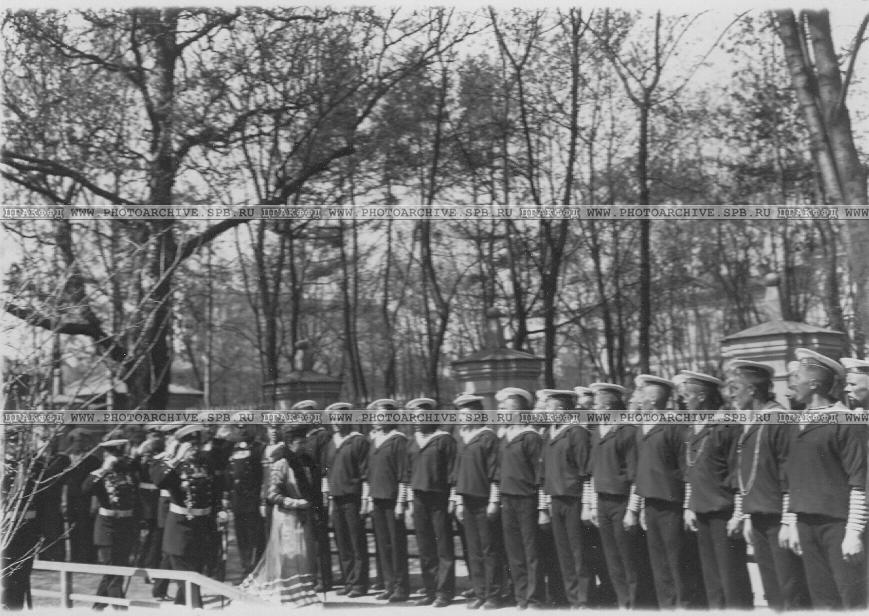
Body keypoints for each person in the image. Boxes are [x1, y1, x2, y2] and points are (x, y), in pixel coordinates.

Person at [783, 348, 867, 609]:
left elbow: (860, 482)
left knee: (853, 600)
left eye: (797, 377)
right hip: (807, 525)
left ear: (814, 384)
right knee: (822, 602)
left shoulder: (846, 421)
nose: (791, 384)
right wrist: (793, 522)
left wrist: (853, 533)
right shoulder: (799, 423)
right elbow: (793, 478)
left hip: (838, 526)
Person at [726, 359, 810, 610]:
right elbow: (748, 475)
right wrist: (746, 515)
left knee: (790, 589)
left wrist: (788, 521)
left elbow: (790, 474)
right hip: (758, 516)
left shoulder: (779, 419)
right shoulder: (752, 422)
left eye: (735, 388)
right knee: (772, 590)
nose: (731, 395)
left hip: (778, 519)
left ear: (752, 390)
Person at [678, 370, 753, 609]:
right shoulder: (693, 426)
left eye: (687, 396)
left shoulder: (726, 424)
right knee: (712, 580)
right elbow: (691, 471)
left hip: (724, 513)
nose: (683, 401)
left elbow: (737, 472)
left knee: (732, 579)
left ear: (701, 397)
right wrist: (689, 507)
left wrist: (738, 514)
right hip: (701, 510)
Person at [625, 374, 689, 609]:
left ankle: (682, 607)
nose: (636, 398)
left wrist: (687, 507)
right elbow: (639, 472)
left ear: (652, 400)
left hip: (671, 505)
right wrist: (638, 508)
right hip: (650, 504)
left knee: (676, 563)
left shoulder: (674, 426)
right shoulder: (641, 429)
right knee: (659, 565)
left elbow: (686, 469)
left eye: (640, 393)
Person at [240, 426, 320, 606]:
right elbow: (272, 494)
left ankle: (302, 591)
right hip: (285, 518)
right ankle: (285, 592)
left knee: (303, 554)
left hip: (302, 517)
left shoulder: (306, 462)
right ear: (290, 444)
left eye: (305, 442)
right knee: (287, 555)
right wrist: (295, 503)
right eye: (300, 443)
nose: (303, 446)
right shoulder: (281, 463)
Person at [151, 424, 226, 607]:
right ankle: (197, 608)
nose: (195, 449)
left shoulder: (205, 463)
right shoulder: (171, 465)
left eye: (197, 445)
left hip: (201, 527)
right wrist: (176, 458)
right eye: (190, 446)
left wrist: (220, 510)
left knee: (195, 574)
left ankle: (182, 607)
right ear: (182, 446)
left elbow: (216, 489)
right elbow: (159, 481)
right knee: (190, 581)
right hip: (179, 529)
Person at [588, 382, 644, 609]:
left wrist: (632, 510)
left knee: (628, 557)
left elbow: (636, 476)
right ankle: (623, 602)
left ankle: (635, 605)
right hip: (602, 502)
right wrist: (593, 506)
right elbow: (593, 472)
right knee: (612, 557)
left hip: (622, 502)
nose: (593, 409)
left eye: (596, 405)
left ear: (609, 407)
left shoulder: (627, 431)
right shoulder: (596, 432)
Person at [538, 389, 593, 609]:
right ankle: (572, 599)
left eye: (549, 408)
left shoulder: (577, 433)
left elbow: (585, 472)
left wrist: (587, 505)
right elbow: (543, 473)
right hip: (555, 499)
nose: (546, 412)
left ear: (561, 410)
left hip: (574, 499)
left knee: (578, 551)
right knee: (564, 553)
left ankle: (583, 599)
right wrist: (544, 505)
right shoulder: (548, 434)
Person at [452, 394, 503, 609]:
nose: (462, 419)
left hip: (484, 501)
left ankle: (494, 594)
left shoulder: (488, 437)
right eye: (460, 415)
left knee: (489, 549)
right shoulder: (462, 439)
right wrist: (458, 502)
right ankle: (480, 592)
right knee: (474, 550)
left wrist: (494, 501)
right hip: (467, 501)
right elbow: (457, 474)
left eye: (466, 415)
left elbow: (495, 472)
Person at [406, 398, 457, 607]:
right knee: (425, 546)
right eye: (414, 418)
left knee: (443, 545)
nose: (417, 421)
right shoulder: (412, 442)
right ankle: (430, 589)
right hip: (419, 498)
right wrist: (409, 501)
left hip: (439, 498)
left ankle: (444, 592)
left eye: (421, 417)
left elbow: (453, 471)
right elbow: (408, 472)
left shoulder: (444, 440)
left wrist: (453, 498)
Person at [496, 387, 543, 610]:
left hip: (527, 499)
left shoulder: (530, 437)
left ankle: (534, 598)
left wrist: (542, 506)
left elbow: (539, 474)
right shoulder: (504, 437)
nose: (501, 412)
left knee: (530, 550)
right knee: (514, 551)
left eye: (505, 409)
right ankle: (520, 596)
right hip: (507, 499)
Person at [82, 437, 139, 609]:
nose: (117, 458)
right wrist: (104, 470)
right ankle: (121, 609)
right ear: (106, 455)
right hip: (107, 526)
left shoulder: (129, 473)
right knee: (113, 571)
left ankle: (97, 608)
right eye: (113, 454)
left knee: (115, 570)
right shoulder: (99, 474)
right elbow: (85, 489)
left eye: (120, 454)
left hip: (126, 525)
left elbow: (136, 499)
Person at [363, 409, 411, 603]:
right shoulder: (373, 441)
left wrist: (401, 502)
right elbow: (369, 473)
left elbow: (403, 474)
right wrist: (368, 500)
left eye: (381, 417)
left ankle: (401, 587)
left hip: (392, 500)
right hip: (377, 499)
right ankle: (389, 585)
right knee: (383, 545)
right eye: (375, 417)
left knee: (396, 544)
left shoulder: (398, 440)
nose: (376, 420)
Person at [324, 420, 370, 597]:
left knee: (356, 541)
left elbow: (365, 473)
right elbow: (325, 470)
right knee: (342, 542)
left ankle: (359, 584)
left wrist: (365, 499)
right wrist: (328, 496)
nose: (336, 423)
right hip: (336, 498)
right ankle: (349, 581)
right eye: (333, 419)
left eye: (340, 418)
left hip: (353, 498)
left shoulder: (358, 441)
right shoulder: (331, 443)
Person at [2, 427, 40, 610]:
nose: (17, 446)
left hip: (28, 527)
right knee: (7, 577)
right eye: (13, 441)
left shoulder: (34, 467)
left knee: (23, 576)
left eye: (20, 442)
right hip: (5, 527)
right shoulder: (3, 468)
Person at [225, 416, 266, 577]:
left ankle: (255, 570)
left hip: (253, 500)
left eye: (245, 427)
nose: (242, 430)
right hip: (237, 501)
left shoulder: (259, 448)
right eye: (239, 427)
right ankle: (245, 569)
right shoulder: (231, 449)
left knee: (255, 537)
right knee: (241, 538)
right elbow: (228, 474)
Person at [31, 426, 70, 562]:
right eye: (43, 439)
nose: (47, 443)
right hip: (34, 501)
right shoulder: (31, 460)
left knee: (53, 530)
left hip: (53, 500)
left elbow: (65, 482)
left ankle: (55, 559)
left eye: (51, 440)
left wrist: (64, 502)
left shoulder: (62, 459)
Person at [63, 428, 101, 564]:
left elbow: (97, 484)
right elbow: (64, 483)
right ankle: (75, 559)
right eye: (77, 441)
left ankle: (88, 559)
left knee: (86, 528)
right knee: (73, 528)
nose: (79, 444)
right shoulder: (66, 460)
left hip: (87, 499)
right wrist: (64, 502)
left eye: (82, 441)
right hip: (71, 499)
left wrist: (94, 502)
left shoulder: (93, 460)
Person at [132, 424, 164, 576]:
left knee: (156, 535)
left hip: (159, 498)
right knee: (147, 534)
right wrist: (139, 453)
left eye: (158, 435)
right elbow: (133, 469)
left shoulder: (164, 452)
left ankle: (151, 565)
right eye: (152, 435)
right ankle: (142, 563)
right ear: (147, 436)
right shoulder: (140, 454)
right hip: (145, 499)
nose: (155, 438)